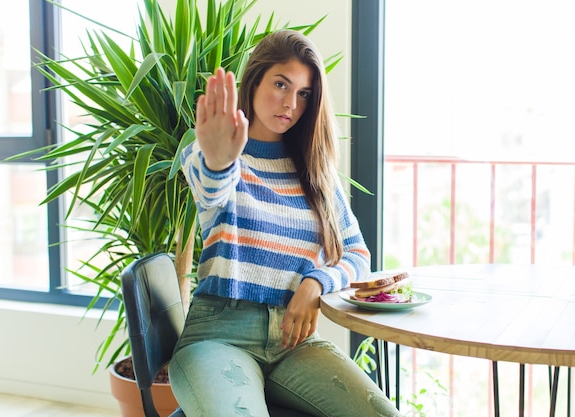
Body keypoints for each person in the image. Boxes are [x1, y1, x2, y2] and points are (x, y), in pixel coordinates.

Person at [169, 29, 402, 417]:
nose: (290, 103)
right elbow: (210, 190)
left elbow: (358, 254)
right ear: (255, 80)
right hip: (216, 339)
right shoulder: (217, 156)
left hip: (295, 344)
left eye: (303, 93)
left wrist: (316, 283)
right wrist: (219, 160)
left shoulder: (314, 173)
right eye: (281, 84)